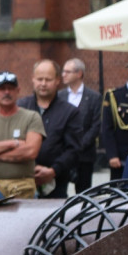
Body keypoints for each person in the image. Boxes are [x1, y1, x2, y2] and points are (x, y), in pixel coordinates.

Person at [0, 72, 45, 202]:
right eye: (2, 89)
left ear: (18, 90)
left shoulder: (32, 117)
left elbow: (31, 151)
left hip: (23, 187)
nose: (6, 92)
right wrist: (12, 143)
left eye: (10, 88)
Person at [18, 60, 82, 199]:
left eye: (48, 80)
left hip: (56, 183)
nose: (43, 83)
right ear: (33, 79)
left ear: (57, 80)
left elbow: (73, 149)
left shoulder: (70, 112)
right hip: (21, 181)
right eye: (39, 79)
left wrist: (53, 171)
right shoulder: (21, 108)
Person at [58, 58, 103, 192]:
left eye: (68, 72)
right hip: (63, 154)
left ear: (79, 74)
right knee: (59, 191)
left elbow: (96, 125)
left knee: (84, 192)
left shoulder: (94, 97)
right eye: (63, 71)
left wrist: (79, 145)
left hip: (85, 155)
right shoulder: (59, 96)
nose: (63, 75)